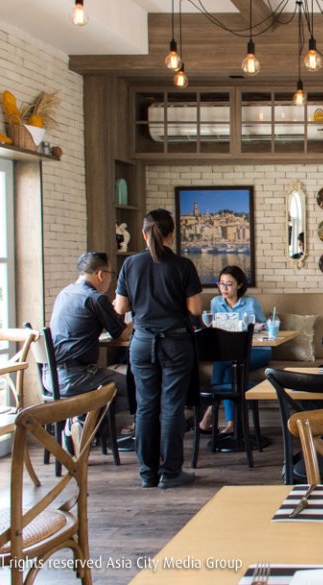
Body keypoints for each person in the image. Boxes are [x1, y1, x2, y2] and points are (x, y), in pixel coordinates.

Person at [114, 209, 203, 489]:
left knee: (145, 407)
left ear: (143, 234)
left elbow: (120, 307)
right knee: (172, 406)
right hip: (175, 342)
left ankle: (148, 473)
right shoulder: (183, 265)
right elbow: (195, 309)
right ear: (171, 234)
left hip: (142, 342)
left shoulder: (130, 264)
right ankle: (171, 472)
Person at [47, 252, 131, 404]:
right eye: (111, 274)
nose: (111, 279)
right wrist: (141, 316)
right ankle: (93, 417)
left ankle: (85, 417)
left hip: (50, 376)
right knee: (136, 386)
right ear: (100, 275)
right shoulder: (96, 298)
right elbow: (123, 335)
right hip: (76, 377)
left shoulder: (65, 293)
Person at [198, 265, 271, 435]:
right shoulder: (216, 303)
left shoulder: (251, 303)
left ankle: (209, 413)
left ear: (239, 285)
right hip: (230, 352)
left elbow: (266, 327)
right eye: (221, 284)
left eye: (229, 284)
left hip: (258, 351)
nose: (224, 288)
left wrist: (258, 326)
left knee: (223, 363)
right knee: (229, 371)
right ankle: (231, 424)